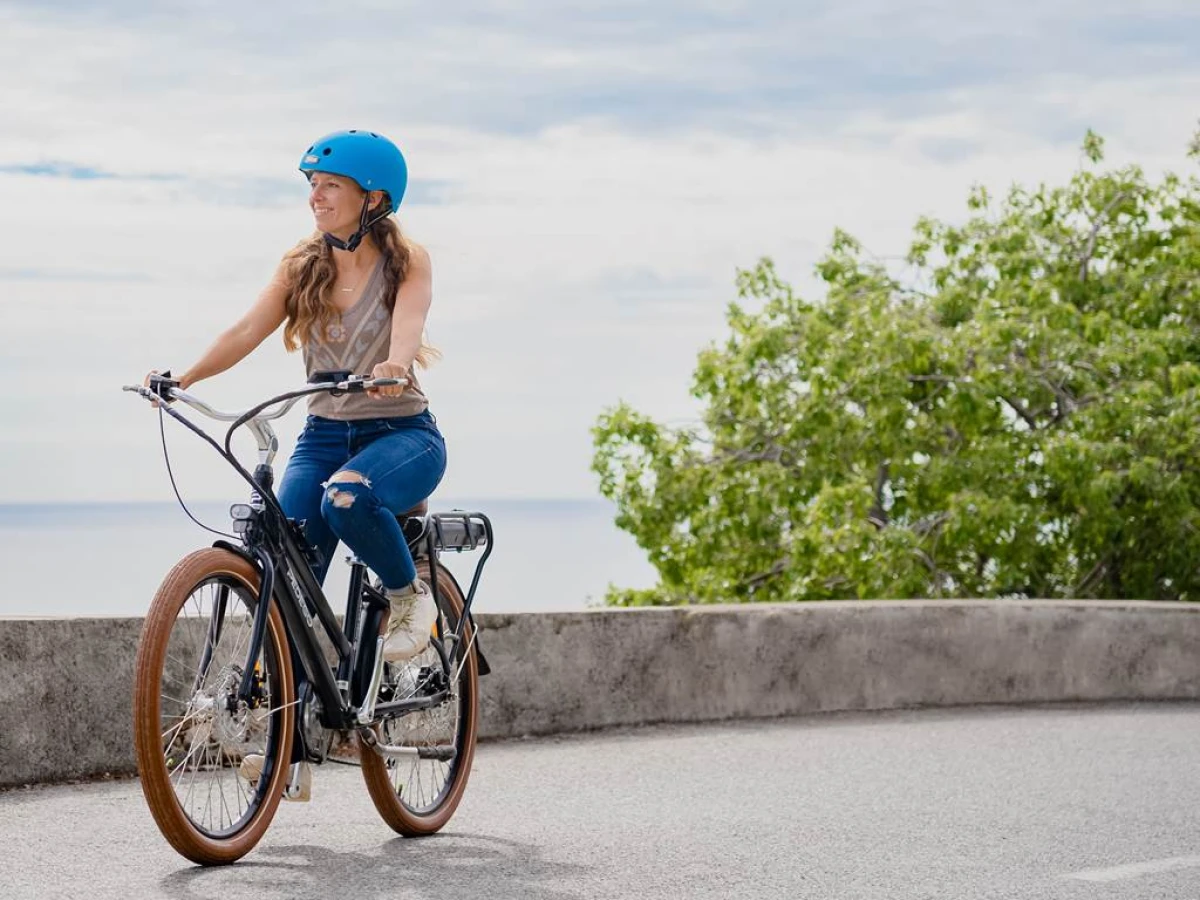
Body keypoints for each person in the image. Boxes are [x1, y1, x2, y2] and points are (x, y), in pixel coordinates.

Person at [148, 128, 446, 665]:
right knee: (284, 568)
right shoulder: (302, 264)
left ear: (373, 198)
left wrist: (396, 365)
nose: (316, 196)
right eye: (312, 184)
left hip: (401, 433)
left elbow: (409, 322)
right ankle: (295, 718)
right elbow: (246, 330)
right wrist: (185, 378)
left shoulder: (408, 261)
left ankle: (407, 595)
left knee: (346, 497)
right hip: (323, 434)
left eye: (332, 184)